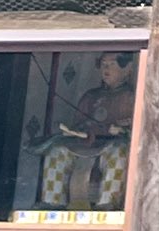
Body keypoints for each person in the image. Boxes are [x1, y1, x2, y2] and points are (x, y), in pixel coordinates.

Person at [37, 51, 137, 210]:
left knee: (119, 151)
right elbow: (79, 124)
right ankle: (53, 201)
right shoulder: (91, 96)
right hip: (86, 142)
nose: (106, 69)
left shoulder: (132, 97)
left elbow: (138, 130)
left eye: (112, 64)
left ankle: (108, 202)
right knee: (57, 150)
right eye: (103, 64)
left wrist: (121, 130)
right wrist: (76, 131)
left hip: (112, 144)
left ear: (128, 68)